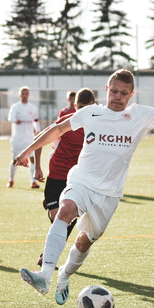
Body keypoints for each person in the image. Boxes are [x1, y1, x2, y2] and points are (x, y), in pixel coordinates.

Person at [15, 69, 154, 305]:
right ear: (107, 90)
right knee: (65, 210)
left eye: (123, 93)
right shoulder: (91, 113)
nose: (118, 96)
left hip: (109, 194)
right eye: (114, 91)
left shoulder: (139, 114)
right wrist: (27, 152)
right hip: (82, 181)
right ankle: (44, 275)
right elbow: (56, 130)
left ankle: (64, 275)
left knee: (84, 242)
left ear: (131, 95)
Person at [33, 88, 96, 267]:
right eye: (80, 107)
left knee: (64, 220)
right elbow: (40, 139)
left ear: (94, 106)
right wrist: (37, 167)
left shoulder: (98, 124)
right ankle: (52, 204)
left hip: (76, 178)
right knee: (58, 219)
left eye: (87, 108)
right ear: (75, 106)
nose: (82, 112)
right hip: (57, 175)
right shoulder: (66, 122)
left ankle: (47, 257)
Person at [7, 86, 40, 189]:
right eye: (23, 94)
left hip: (29, 138)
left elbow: (36, 121)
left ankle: (33, 181)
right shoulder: (15, 107)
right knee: (15, 160)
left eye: (26, 93)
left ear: (29, 95)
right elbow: (10, 117)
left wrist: (38, 131)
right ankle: (11, 180)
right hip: (17, 139)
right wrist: (15, 120)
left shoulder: (33, 108)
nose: (25, 95)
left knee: (32, 159)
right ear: (20, 95)